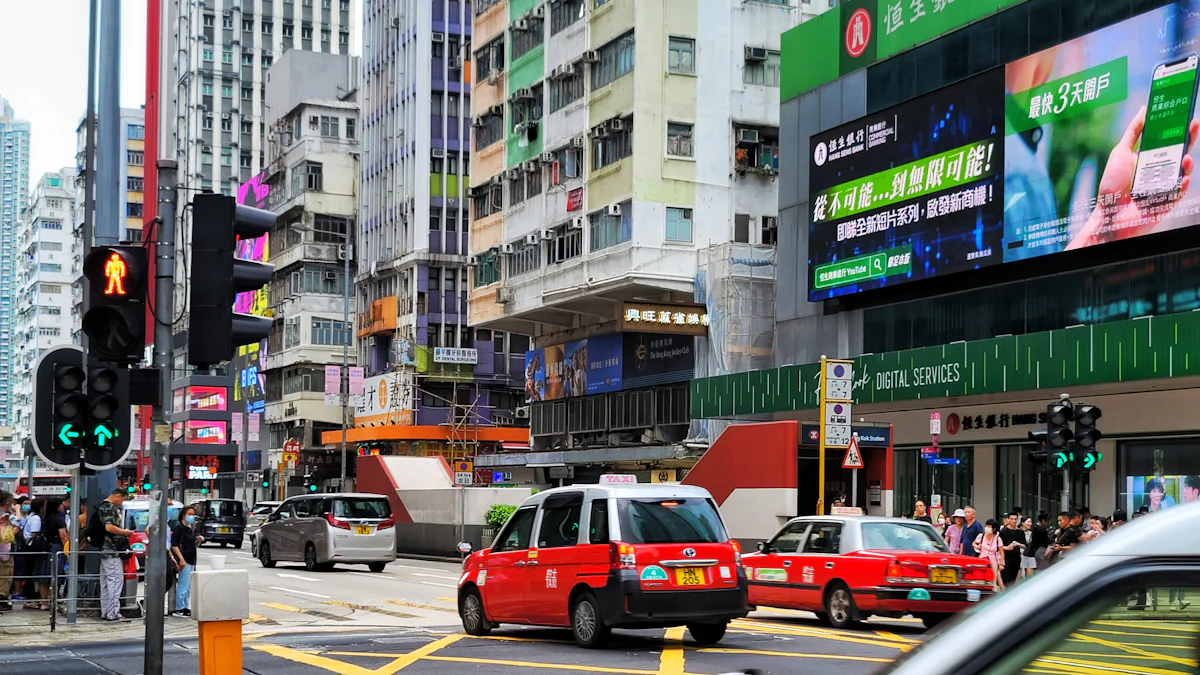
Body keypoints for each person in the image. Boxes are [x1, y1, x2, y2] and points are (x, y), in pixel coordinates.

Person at [97, 489, 133, 621]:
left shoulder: (101, 506)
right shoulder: (109, 507)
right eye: (122, 499)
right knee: (116, 580)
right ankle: (113, 613)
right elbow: (109, 527)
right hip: (111, 549)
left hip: (104, 549)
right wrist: (125, 532)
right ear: (117, 496)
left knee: (106, 582)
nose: (121, 502)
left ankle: (105, 611)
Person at [171, 505, 204, 618]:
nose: (192, 517)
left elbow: (193, 545)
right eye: (189, 514)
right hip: (184, 559)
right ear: (183, 515)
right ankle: (179, 609)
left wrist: (198, 541)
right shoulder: (179, 528)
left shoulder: (190, 529)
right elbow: (174, 544)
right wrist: (181, 559)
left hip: (191, 560)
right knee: (183, 585)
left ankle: (185, 607)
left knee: (189, 586)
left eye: (193, 514)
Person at [973, 519, 1005, 590]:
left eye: (989, 527)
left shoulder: (997, 539)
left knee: (993, 580)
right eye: (986, 526)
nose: (987, 528)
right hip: (982, 560)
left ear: (994, 529)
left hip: (993, 562)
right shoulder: (981, 536)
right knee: (979, 579)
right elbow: (974, 543)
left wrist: (1001, 563)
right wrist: (977, 546)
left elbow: (1001, 551)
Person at [998, 513, 1025, 587]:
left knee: (1013, 579)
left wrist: (1018, 544)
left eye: (1015, 519)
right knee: (1005, 579)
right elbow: (998, 546)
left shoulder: (1020, 532)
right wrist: (1007, 548)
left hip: (1016, 558)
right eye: (1012, 519)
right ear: (1008, 519)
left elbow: (1025, 546)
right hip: (1006, 558)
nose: (1013, 521)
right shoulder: (1003, 531)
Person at [0, 491, 14, 612]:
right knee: (5, 576)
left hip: (4, 551)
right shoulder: (4, 517)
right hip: (3, 551)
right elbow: (7, 536)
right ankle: (1, 600)